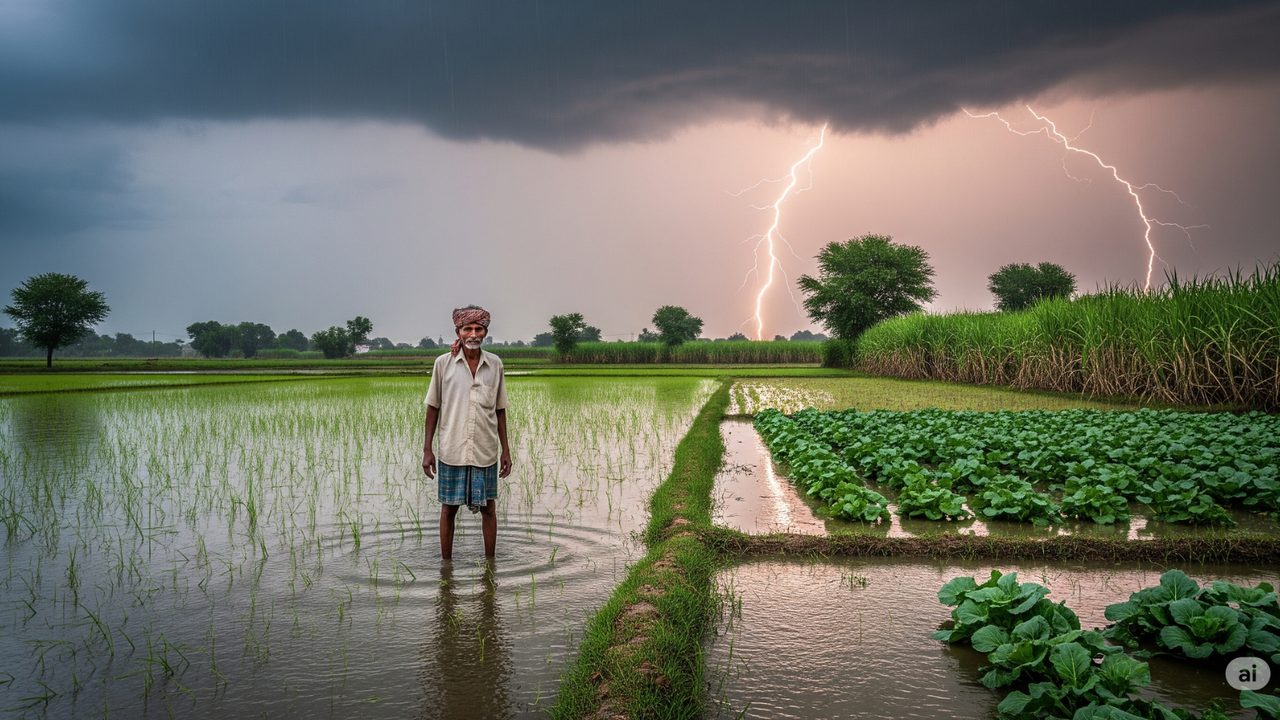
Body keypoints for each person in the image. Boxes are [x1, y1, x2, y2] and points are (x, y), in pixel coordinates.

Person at [422, 306, 512, 559]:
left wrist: (506, 450)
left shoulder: (494, 364)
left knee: (489, 509)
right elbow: (433, 407)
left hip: (484, 450)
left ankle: (490, 565)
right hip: (452, 449)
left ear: (485, 332)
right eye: (468, 328)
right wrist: (427, 450)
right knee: (448, 510)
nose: (473, 333)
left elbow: (500, 409)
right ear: (458, 332)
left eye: (478, 329)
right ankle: (446, 567)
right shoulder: (443, 364)